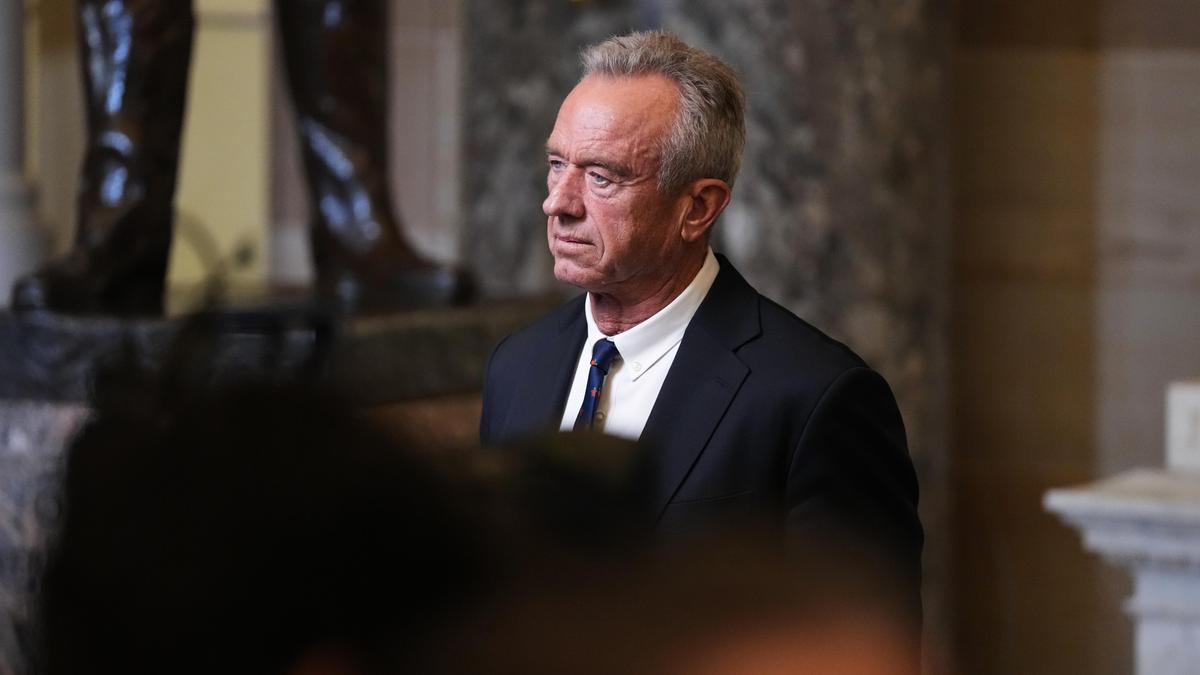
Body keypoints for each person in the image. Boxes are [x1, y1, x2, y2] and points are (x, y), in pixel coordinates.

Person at [479, 31, 922, 610]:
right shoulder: (516, 365)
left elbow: (860, 642)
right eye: (557, 164)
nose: (557, 202)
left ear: (698, 208)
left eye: (601, 177)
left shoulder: (815, 398)